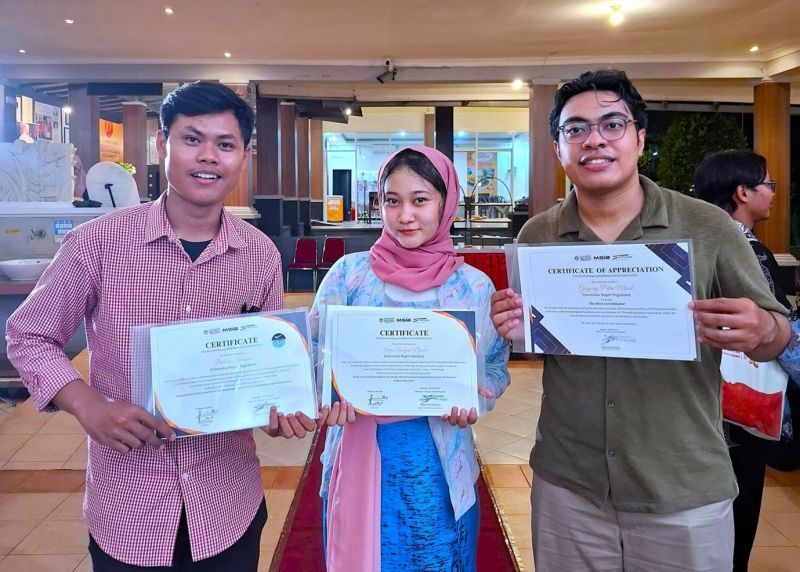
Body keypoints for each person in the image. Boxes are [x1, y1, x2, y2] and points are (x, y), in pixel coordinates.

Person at [6, 81, 315, 571]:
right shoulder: (97, 244)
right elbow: (28, 335)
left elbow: (262, 360)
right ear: (161, 144)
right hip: (130, 508)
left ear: (244, 157)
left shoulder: (258, 254)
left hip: (227, 503)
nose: (208, 156)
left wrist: (276, 408)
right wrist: (87, 404)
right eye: (192, 139)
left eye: (226, 144)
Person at [490, 70, 791, 571]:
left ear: (639, 137)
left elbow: (776, 334)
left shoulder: (707, 225)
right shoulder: (539, 235)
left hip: (683, 485)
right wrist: (514, 330)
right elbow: (533, 341)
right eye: (576, 129)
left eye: (612, 124)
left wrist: (762, 329)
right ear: (558, 148)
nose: (595, 140)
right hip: (570, 487)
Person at [310, 145, 509, 571]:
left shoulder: (473, 286)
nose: (405, 216)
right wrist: (326, 394)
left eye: (420, 200)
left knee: (437, 555)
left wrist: (478, 396)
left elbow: (495, 365)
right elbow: (311, 356)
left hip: (438, 462)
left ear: (445, 202)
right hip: (358, 451)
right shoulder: (349, 274)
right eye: (392, 201)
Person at [694, 149, 791, 571]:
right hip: (742, 408)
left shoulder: (688, 246)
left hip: (695, 405)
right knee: (739, 506)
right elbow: (784, 334)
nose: (773, 193)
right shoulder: (751, 253)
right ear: (742, 192)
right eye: (767, 185)